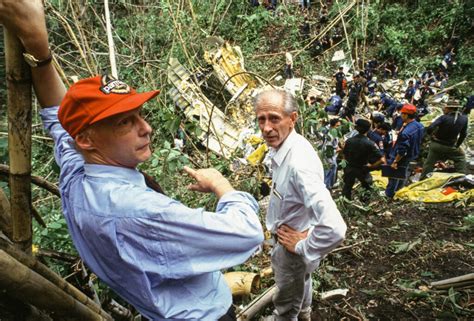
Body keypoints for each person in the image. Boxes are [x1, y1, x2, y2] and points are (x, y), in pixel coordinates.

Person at [0, 1, 264, 320]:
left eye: (140, 115)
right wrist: (222, 185)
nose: (147, 128)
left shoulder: (79, 175)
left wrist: (38, 48)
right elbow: (246, 233)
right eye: (124, 122)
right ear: (86, 139)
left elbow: (58, 118)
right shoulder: (138, 211)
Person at [254, 89, 346, 321]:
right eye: (261, 119)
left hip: (292, 249)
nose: (266, 128)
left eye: (274, 118)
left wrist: (304, 246)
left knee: (285, 306)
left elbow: (335, 227)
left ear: (292, 118)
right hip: (294, 240)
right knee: (301, 284)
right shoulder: (286, 146)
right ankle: (305, 313)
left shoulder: (298, 163)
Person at [420, 101, 468, 180]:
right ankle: (460, 178)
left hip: (436, 145)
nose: (444, 109)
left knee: (429, 164)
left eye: (446, 108)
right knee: (461, 157)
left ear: (450, 109)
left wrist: (431, 135)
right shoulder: (464, 119)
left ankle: (422, 180)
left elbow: (431, 127)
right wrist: (457, 145)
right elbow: (463, 134)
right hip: (450, 146)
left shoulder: (443, 117)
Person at [385, 104, 424, 198]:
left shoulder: (406, 133)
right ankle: (399, 190)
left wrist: (395, 161)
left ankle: (389, 194)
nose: (400, 115)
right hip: (412, 153)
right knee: (403, 171)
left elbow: (402, 150)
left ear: (406, 115)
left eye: (402, 113)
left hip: (401, 156)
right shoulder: (420, 126)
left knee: (393, 174)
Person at [342, 119, 383, 200]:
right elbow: (382, 159)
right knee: (367, 186)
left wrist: (345, 167)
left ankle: (345, 202)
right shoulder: (370, 143)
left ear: (356, 128)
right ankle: (364, 202)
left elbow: (344, 154)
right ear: (368, 129)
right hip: (363, 168)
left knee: (347, 186)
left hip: (350, 167)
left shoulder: (349, 141)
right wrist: (372, 166)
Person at [321, 118, 342, 190]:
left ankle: (328, 184)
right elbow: (328, 146)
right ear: (333, 126)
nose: (339, 127)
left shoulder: (331, 131)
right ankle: (327, 186)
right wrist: (337, 150)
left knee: (330, 169)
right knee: (330, 169)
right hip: (329, 155)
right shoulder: (332, 134)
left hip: (329, 154)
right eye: (337, 126)